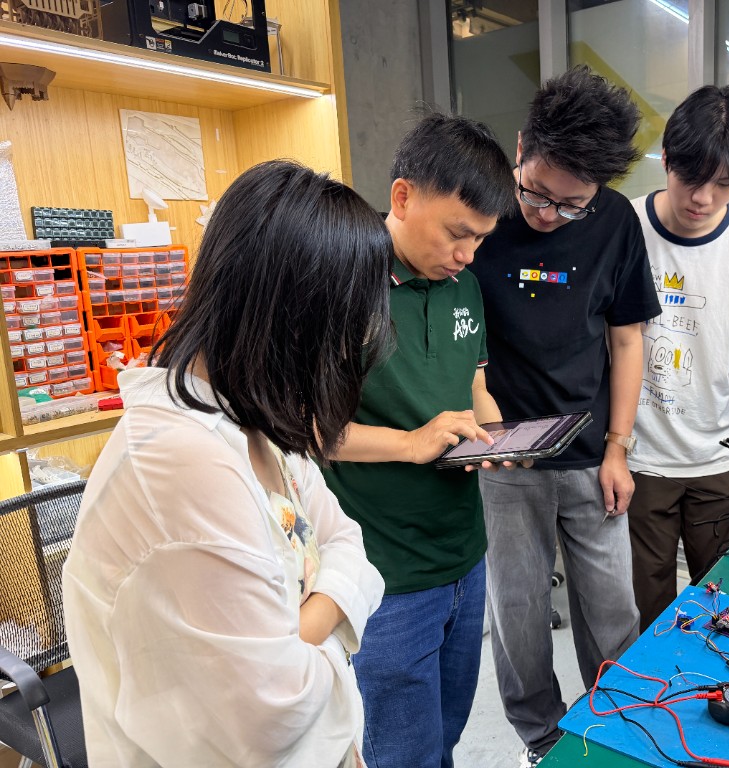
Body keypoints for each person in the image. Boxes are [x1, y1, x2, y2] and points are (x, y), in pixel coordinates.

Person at [62, 160, 393, 767]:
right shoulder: (185, 461)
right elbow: (276, 710)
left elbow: (349, 541)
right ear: (298, 323)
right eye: (346, 331)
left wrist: (297, 629)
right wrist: (320, 619)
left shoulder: (253, 415)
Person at [468, 65, 661, 766]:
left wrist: (619, 446)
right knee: (516, 613)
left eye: (569, 204)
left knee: (613, 610)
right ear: (521, 146)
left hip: (589, 449)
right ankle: (541, 741)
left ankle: (620, 730)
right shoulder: (483, 209)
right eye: (536, 193)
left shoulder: (614, 223)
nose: (546, 214)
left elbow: (627, 336)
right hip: (504, 451)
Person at [320, 112, 517, 768]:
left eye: (480, 240)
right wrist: (412, 443)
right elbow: (311, 429)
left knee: (446, 734)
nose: (466, 255)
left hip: (464, 552)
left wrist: (495, 435)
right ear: (403, 198)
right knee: (402, 752)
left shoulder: (464, 284)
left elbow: (475, 386)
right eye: (457, 233)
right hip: (387, 572)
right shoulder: (341, 283)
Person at [627, 85, 729, 632]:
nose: (703, 198)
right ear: (666, 160)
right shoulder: (625, 230)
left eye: (724, 185)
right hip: (639, 459)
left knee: (722, 605)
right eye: (691, 179)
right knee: (642, 614)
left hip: (719, 460)